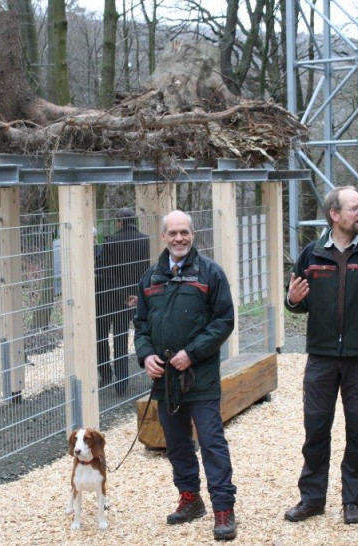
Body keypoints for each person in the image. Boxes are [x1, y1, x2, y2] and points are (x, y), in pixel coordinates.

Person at [284, 185, 358, 525]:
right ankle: (312, 498)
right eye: (354, 208)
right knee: (316, 429)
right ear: (334, 215)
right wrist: (291, 299)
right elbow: (299, 302)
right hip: (320, 357)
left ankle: (353, 500)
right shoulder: (312, 254)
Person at [133, 210, 237, 541]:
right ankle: (190, 498)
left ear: (193, 235)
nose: (179, 238)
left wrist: (191, 353)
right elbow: (141, 325)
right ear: (163, 237)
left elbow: (224, 321)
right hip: (164, 379)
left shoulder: (210, 273)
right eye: (173, 233)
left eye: (185, 232)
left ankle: (223, 507)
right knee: (176, 444)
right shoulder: (151, 278)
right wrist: (146, 355)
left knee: (211, 442)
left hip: (200, 377)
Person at [95, 208, 149, 395]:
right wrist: (135, 294)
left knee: (109, 337)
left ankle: (112, 377)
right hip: (136, 298)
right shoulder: (144, 240)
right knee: (132, 336)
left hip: (112, 298)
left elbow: (101, 268)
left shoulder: (112, 242)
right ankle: (128, 381)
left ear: (119, 221)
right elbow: (145, 270)